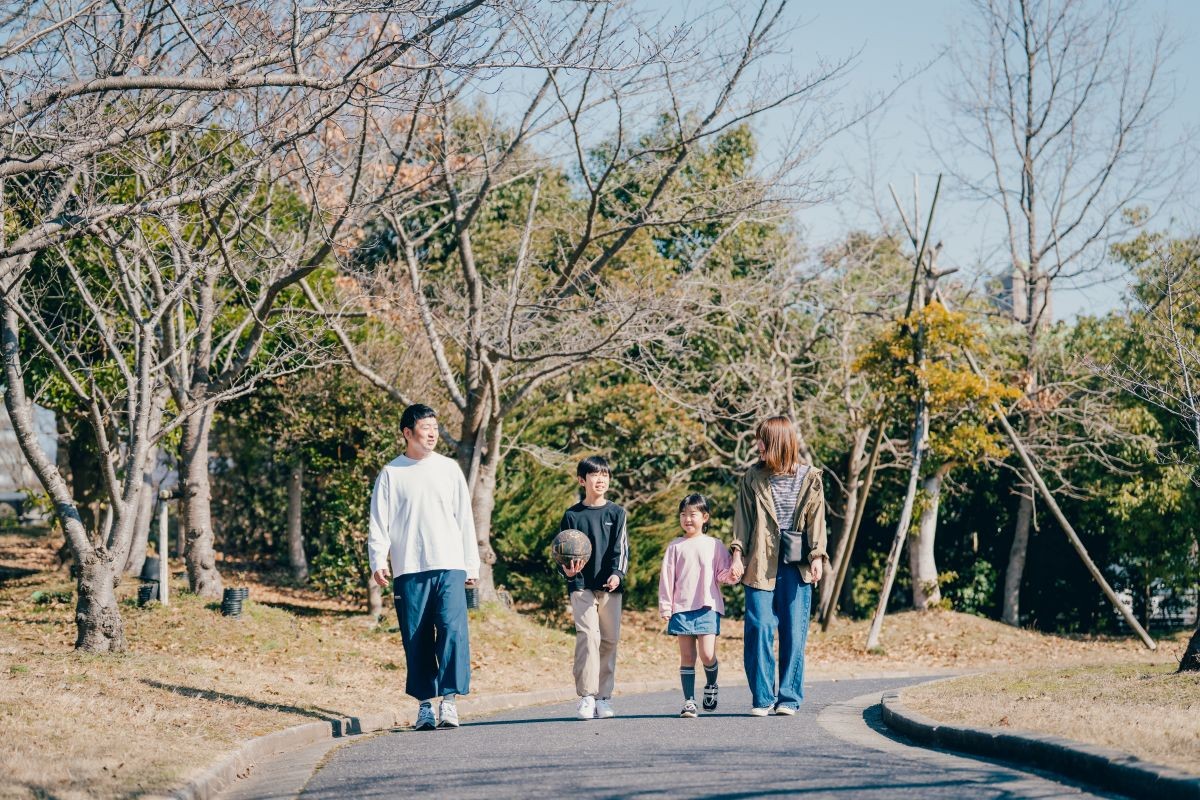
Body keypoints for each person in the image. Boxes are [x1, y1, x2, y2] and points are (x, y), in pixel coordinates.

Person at [368, 403, 479, 731]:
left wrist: (470, 564)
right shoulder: (391, 473)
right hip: (409, 568)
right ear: (407, 433)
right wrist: (378, 560)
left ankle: (449, 702)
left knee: (451, 631)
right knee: (416, 638)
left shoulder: (448, 469)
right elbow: (379, 522)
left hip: (450, 565)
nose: (432, 433)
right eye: (425, 427)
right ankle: (425, 706)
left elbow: (464, 519)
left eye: (435, 426)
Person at [728, 415, 828, 716]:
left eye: (762, 439)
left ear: (777, 442)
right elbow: (742, 522)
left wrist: (817, 556)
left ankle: (788, 698)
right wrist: (737, 555)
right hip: (760, 559)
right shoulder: (752, 477)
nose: (757, 445)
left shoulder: (810, 478)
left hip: (796, 562)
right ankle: (762, 697)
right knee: (759, 626)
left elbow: (817, 522)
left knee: (793, 631)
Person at [558, 455, 630, 721]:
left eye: (605, 475)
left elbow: (620, 550)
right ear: (582, 480)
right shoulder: (572, 515)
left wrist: (617, 574)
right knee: (588, 636)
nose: (601, 479)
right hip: (580, 585)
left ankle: (603, 698)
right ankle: (587, 696)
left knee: (609, 640)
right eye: (595, 475)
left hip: (610, 586)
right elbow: (561, 550)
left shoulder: (617, 513)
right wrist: (566, 571)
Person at [658, 493, 737, 718]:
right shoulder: (675, 546)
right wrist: (666, 607)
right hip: (681, 608)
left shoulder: (715, 545)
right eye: (683, 515)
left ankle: (711, 684)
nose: (687, 519)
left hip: (707, 606)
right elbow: (667, 578)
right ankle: (689, 701)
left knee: (707, 654)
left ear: (705, 517)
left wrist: (732, 574)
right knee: (687, 658)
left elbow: (722, 573)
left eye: (693, 514)